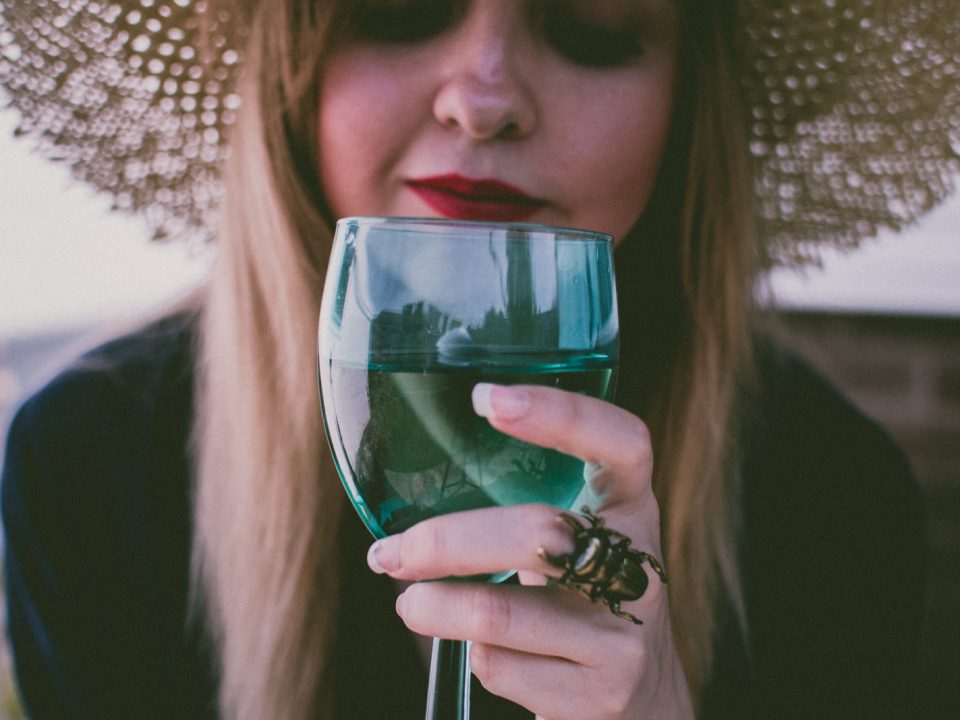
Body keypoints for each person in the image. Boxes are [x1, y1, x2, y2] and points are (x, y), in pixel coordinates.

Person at [1, 0, 956, 718]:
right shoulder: (92, 460)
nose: (484, 97)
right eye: (398, 10)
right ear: (288, 70)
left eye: (595, 27)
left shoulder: (830, 495)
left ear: (690, 104)